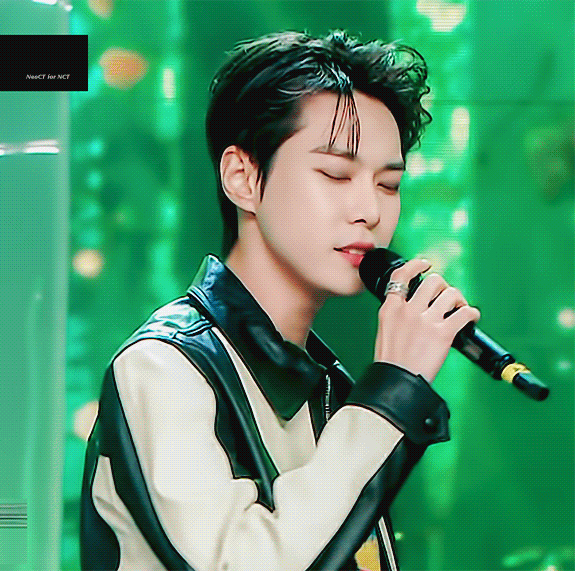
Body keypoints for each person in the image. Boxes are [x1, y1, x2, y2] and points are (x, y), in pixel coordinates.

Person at [80, 30, 481, 571]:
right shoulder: (163, 367)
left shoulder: (327, 386)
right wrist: (391, 393)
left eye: (388, 185)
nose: (369, 210)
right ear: (243, 179)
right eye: (336, 174)